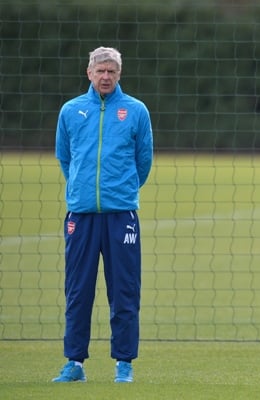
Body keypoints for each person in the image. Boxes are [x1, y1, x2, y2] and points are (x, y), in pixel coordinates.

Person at [52, 47, 153, 383]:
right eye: (101, 71)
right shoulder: (70, 111)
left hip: (121, 214)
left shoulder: (136, 111)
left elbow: (144, 162)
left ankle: (124, 364)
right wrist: (82, 189)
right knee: (78, 291)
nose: (106, 77)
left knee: (124, 290)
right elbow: (65, 158)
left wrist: (120, 191)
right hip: (80, 216)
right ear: (89, 73)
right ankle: (74, 363)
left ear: (119, 74)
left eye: (112, 71)